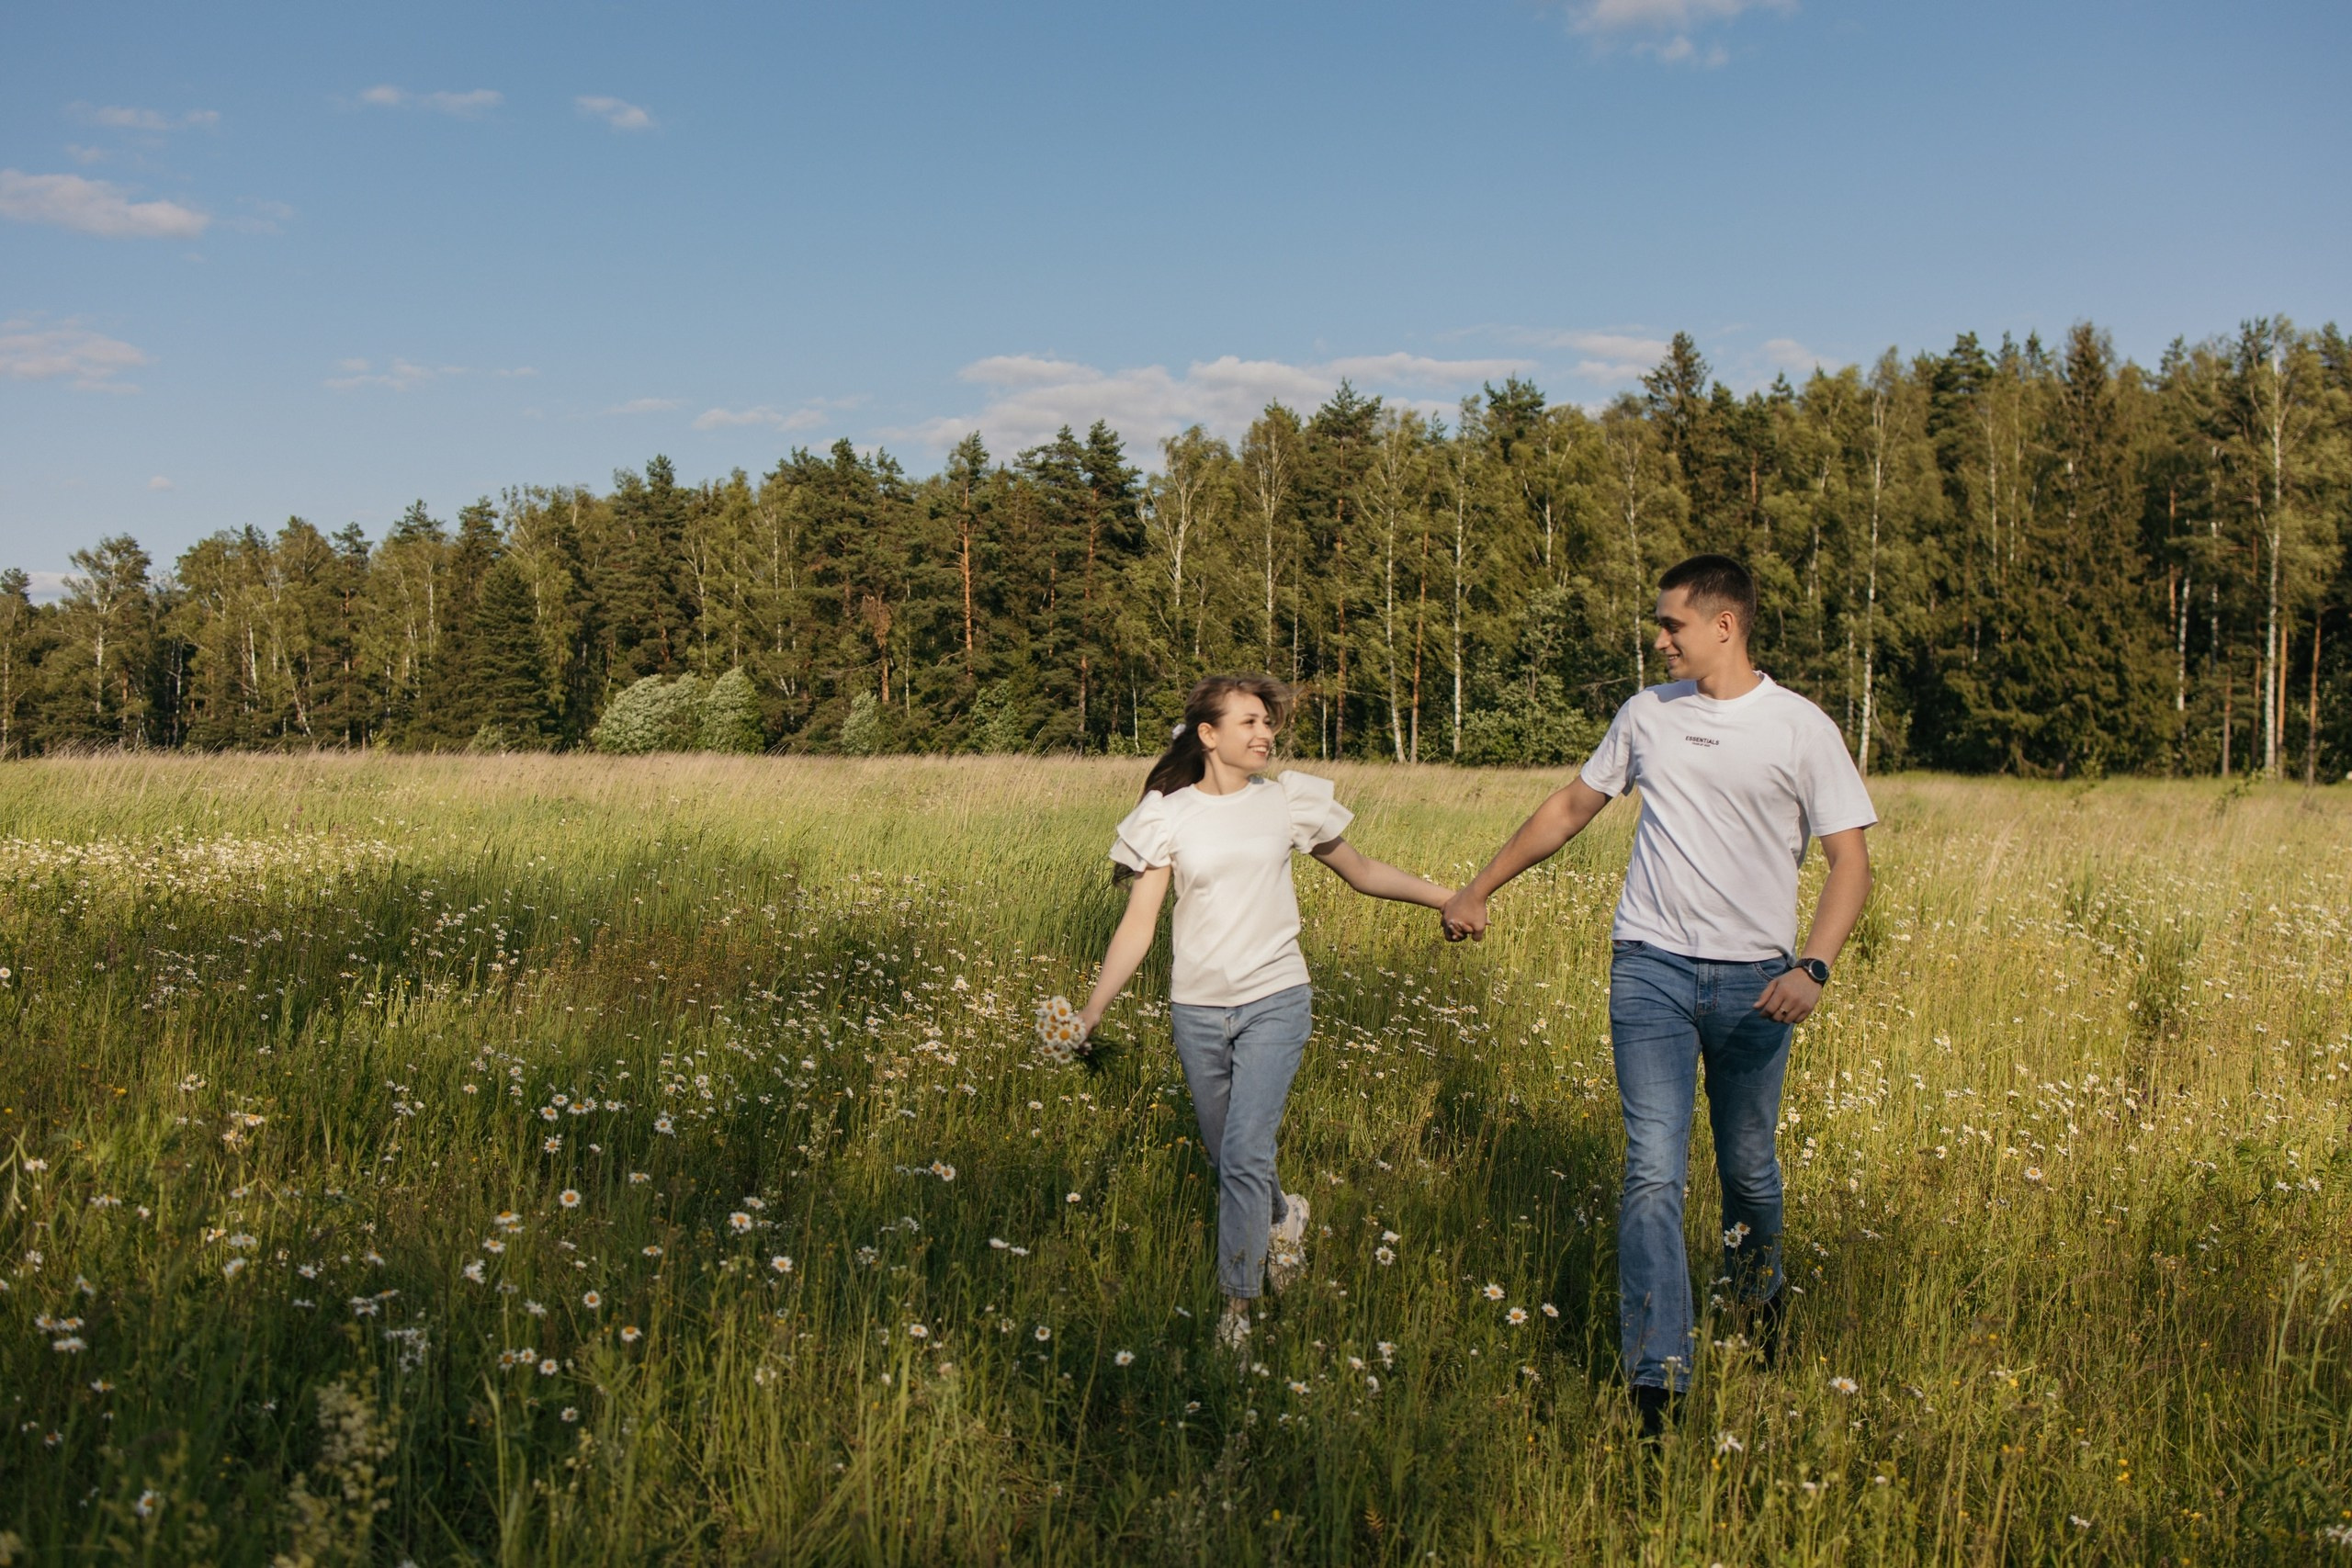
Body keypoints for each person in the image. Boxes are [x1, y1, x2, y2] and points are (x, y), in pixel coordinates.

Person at [1440, 555, 1875, 1438]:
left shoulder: (1801, 729)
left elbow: (1850, 863)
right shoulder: (1646, 714)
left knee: (1748, 1167)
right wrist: (1479, 886)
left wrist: (1813, 968)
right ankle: (1659, 1381)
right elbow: (1571, 806)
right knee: (1651, 1170)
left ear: (1725, 625)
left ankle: (1759, 1304)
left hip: (1760, 985)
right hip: (1650, 969)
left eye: (1672, 623)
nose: (1659, 637)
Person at [1078, 673, 1454, 1353]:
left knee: (1247, 1150)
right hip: (1196, 1010)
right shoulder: (1168, 814)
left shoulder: (1286, 803)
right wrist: (1091, 1010)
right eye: (1250, 722)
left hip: (1276, 999)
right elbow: (1139, 925)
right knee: (1230, 1157)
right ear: (1209, 734)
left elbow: (1363, 870)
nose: (1265, 733)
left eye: (1269, 722)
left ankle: (1237, 1312)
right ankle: (1285, 1215)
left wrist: (1449, 897)